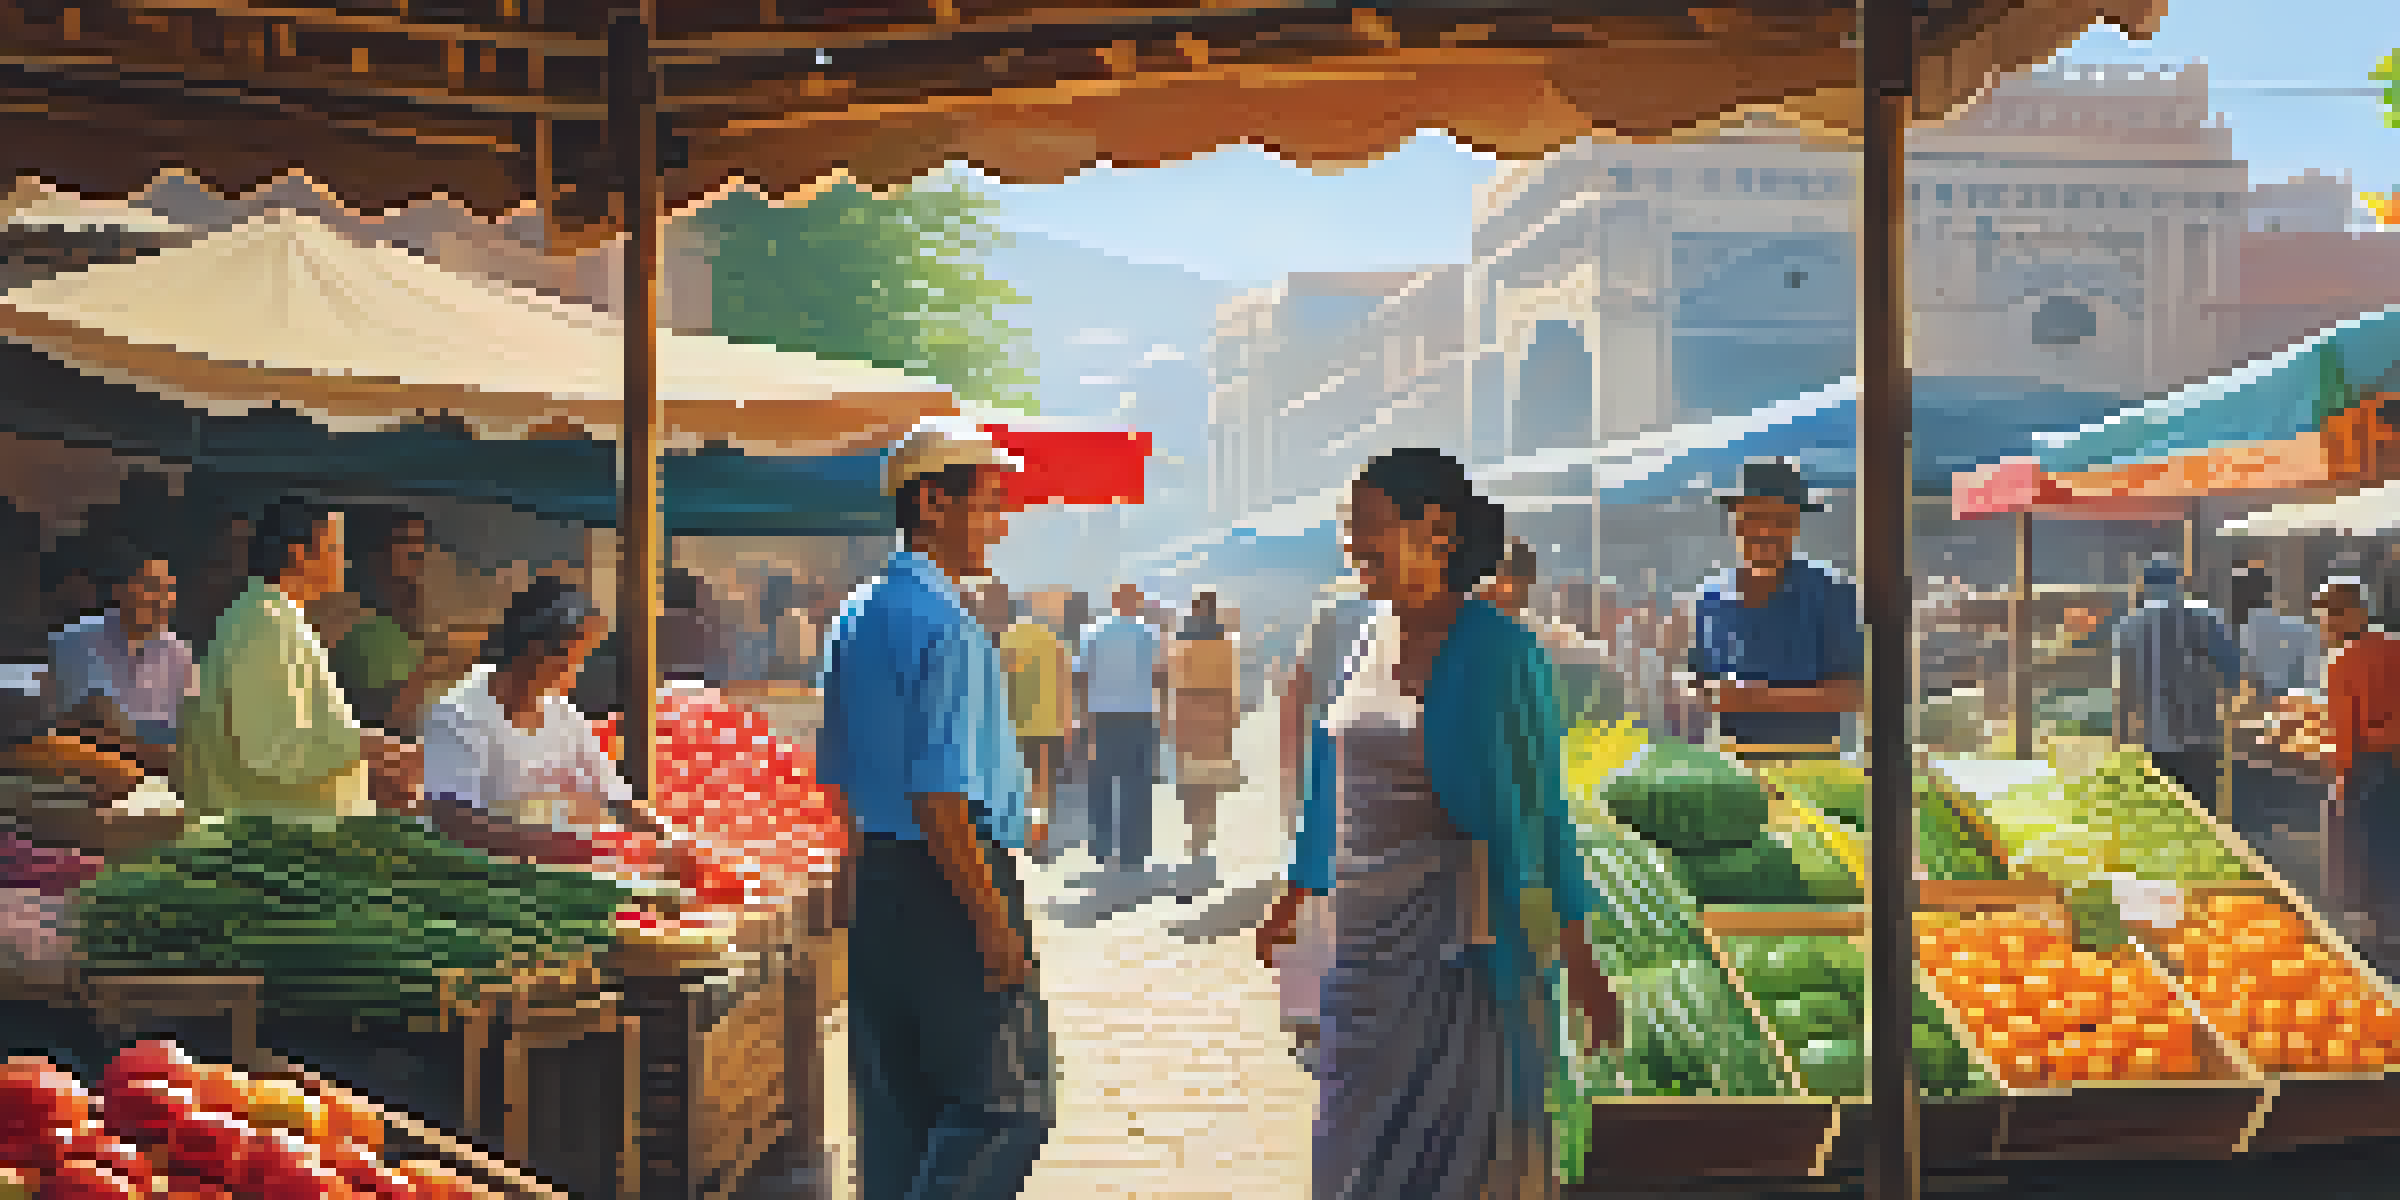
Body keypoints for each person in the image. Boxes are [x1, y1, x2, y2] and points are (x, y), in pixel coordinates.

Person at [1255, 448, 1616, 1200]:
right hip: (1364, 948)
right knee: (1352, 1137)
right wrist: (1295, 893)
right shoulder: (1364, 637)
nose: (1353, 545)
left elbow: (1545, 807)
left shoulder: (1501, 651)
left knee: (1466, 1143)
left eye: (1370, 527)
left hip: (1466, 942)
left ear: (1438, 531)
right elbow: (1334, 779)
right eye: (1348, 528)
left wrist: (1579, 954)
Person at [817, 429, 1053, 1200]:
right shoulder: (945, 626)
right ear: (930, 502)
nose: (1000, 522)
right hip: (949, 873)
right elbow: (940, 794)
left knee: (898, 1114)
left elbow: (841, 778)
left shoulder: (856, 615)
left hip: (883, 879)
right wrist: (991, 921)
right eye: (987, 503)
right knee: (1005, 1105)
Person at [178, 497, 418, 823]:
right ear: (299, 555)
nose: (344, 563)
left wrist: (377, 755)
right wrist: (370, 748)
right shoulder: (263, 622)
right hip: (269, 842)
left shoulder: (273, 617)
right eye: (334, 549)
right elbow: (270, 747)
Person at [421, 579, 635, 865]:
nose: (578, 669)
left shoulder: (564, 716)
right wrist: (563, 846)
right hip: (482, 874)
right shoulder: (459, 715)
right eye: (574, 657)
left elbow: (615, 798)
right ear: (537, 651)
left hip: (553, 869)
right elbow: (453, 822)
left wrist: (665, 838)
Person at [1685, 459, 1864, 759]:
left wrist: (1757, 698)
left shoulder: (1831, 592)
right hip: (1733, 767)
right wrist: (1689, 691)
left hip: (1812, 769)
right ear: (1735, 521)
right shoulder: (1710, 597)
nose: (1766, 531)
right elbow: (1699, 681)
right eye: (1755, 517)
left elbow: (1851, 693)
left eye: (1780, 520)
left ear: (1795, 524)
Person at [1275, 576, 1379, 1067]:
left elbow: (1297, 693)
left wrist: (1292, 771)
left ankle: (1320, 1017)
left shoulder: (1332, 614)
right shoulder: (1434, 608)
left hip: (1338, 757)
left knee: (1329, 896)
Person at [43, 548, 196, 781]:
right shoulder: (76, 640)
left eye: (168, 590)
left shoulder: (178, 652)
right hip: (83, 779)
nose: (161, 600)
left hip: (159, 779)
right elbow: (73, 729)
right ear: (120, 590)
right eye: (152, 588)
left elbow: (190, 734)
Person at [325, 508, 481, 735]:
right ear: (376, 552)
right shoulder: (353, 624)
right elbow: (392, 715)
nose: (417, 553)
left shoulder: (405, 622)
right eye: (405, 542)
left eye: (420, 543)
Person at [2113, 554, 2243, 812]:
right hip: (2201, 734)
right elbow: (2232, 671)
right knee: (2203, 811)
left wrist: (2123, 740)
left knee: (2164, 814)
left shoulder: (2129, 626)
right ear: (2178, 583)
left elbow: (2124, 691)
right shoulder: (2205, 617)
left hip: (2152, 734)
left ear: (2144, 586)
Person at [2312, 579, 2399, 950]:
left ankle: (2383, 935)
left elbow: (2344, 733)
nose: (2324, 625)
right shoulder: (2395, 646)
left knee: (2371, 847)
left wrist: (2341, 783)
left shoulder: (2343, 662)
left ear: (2353, 614)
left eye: (2330, 616)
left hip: (2370, 764)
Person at [1078, 583, 1165, 874]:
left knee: (1100, 784)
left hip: (1101, 717)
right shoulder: (1150, 634)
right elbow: (1160, 675)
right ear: (1137, 601)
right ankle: (1133, 852)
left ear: (1113, 600)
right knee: (1136, 785)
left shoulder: (1092, 632)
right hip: (1139, 716)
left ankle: (1102, 848)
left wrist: (1082, 718)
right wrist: (1162, 715)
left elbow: (1081, 677)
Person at [1168, 589, 1241, 865]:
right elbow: (1231, 681)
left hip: (1188, 704)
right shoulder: (1225, 642)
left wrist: (1171, 715)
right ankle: (1205, 822)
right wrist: (1231, 715)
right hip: (1217, 704)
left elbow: (1175, 679)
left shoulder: (1182, 642)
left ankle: (1194, 823)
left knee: (1189, 766)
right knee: (1211, 766)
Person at [999, 588, 1069, 859]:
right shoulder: (1054, 641)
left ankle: (1022, 834)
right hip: (1049, 725)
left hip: (1017, 725)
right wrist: (1065, 722)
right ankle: (1039, 839)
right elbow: (1065, 684)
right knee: (1043, 786)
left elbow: (1001, 684)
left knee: (1020, 784)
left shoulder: (1008, 641)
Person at [2233, 567, 2321, 699]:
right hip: (2300, 700)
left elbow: (2247, 677)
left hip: (2267, 702)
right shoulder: (2303, 628)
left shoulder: (2248, 630)